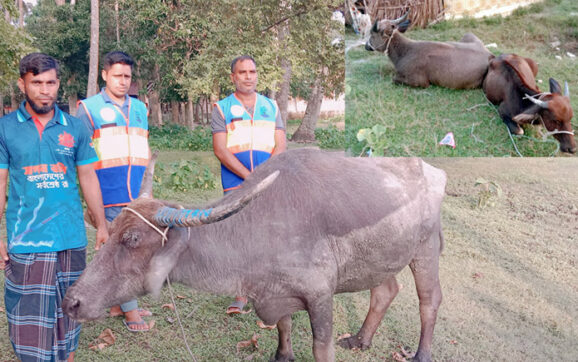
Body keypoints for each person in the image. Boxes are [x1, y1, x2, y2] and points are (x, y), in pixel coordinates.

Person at [0, 53, 108, 361]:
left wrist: (101, 225)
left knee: (69, 319)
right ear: (23, 84)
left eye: (50, 83)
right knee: (28, 325)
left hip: (70, 239)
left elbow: (88, 176)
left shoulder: (74, 127)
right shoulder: (5, 129)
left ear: (58, 84)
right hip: (26, 241)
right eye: (37, 83)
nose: (45, 90)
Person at [76, 51, 152, 332]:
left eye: (128, 77)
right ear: (104, 75)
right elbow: (81, 158)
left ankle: (122, 303)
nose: (123, 81)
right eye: (117, 75)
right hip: (107, 193)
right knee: (122, 254)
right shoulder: (89, 108)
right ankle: (131, 312)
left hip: (137, 196)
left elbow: (143, 148)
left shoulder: (140, 108)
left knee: (136, 250)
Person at [211, 55, 286, 314]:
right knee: (239, 238)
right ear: (233, 77)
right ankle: (241, 294)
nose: (248, 76)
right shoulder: (221, 108)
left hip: (268, 182)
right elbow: (220, 150)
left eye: (252, 71)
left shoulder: (271, 106)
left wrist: (262, 176)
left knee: (269, 235)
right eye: (242, 72)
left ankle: (269, 290)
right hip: (236, 185)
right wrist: (249, 177)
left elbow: (281, 145)